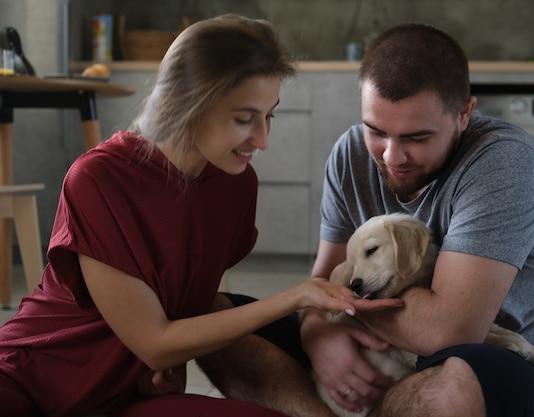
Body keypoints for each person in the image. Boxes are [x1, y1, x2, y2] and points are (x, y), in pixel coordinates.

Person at [0, 14, 401, 417]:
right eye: (245, 119)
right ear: (189, 104)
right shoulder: (98, 178)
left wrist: (168, 368)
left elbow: (188, 296)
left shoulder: (236, 184)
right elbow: (154, 341)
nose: (263, 139)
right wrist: (297, 296)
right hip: (29, 380)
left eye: (269, 115)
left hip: (122, 396)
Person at [299, 23, 534, 417]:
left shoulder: (504, 164)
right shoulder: (350, 152)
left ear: (465, 113)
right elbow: (321, 287)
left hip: (499, 362)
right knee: (237, 329)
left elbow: (447, 333)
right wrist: (317, 335)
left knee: (449, 391)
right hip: (384, 350)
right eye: (376, 131)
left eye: (416, 137)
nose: (391, 157)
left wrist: (345, 304)